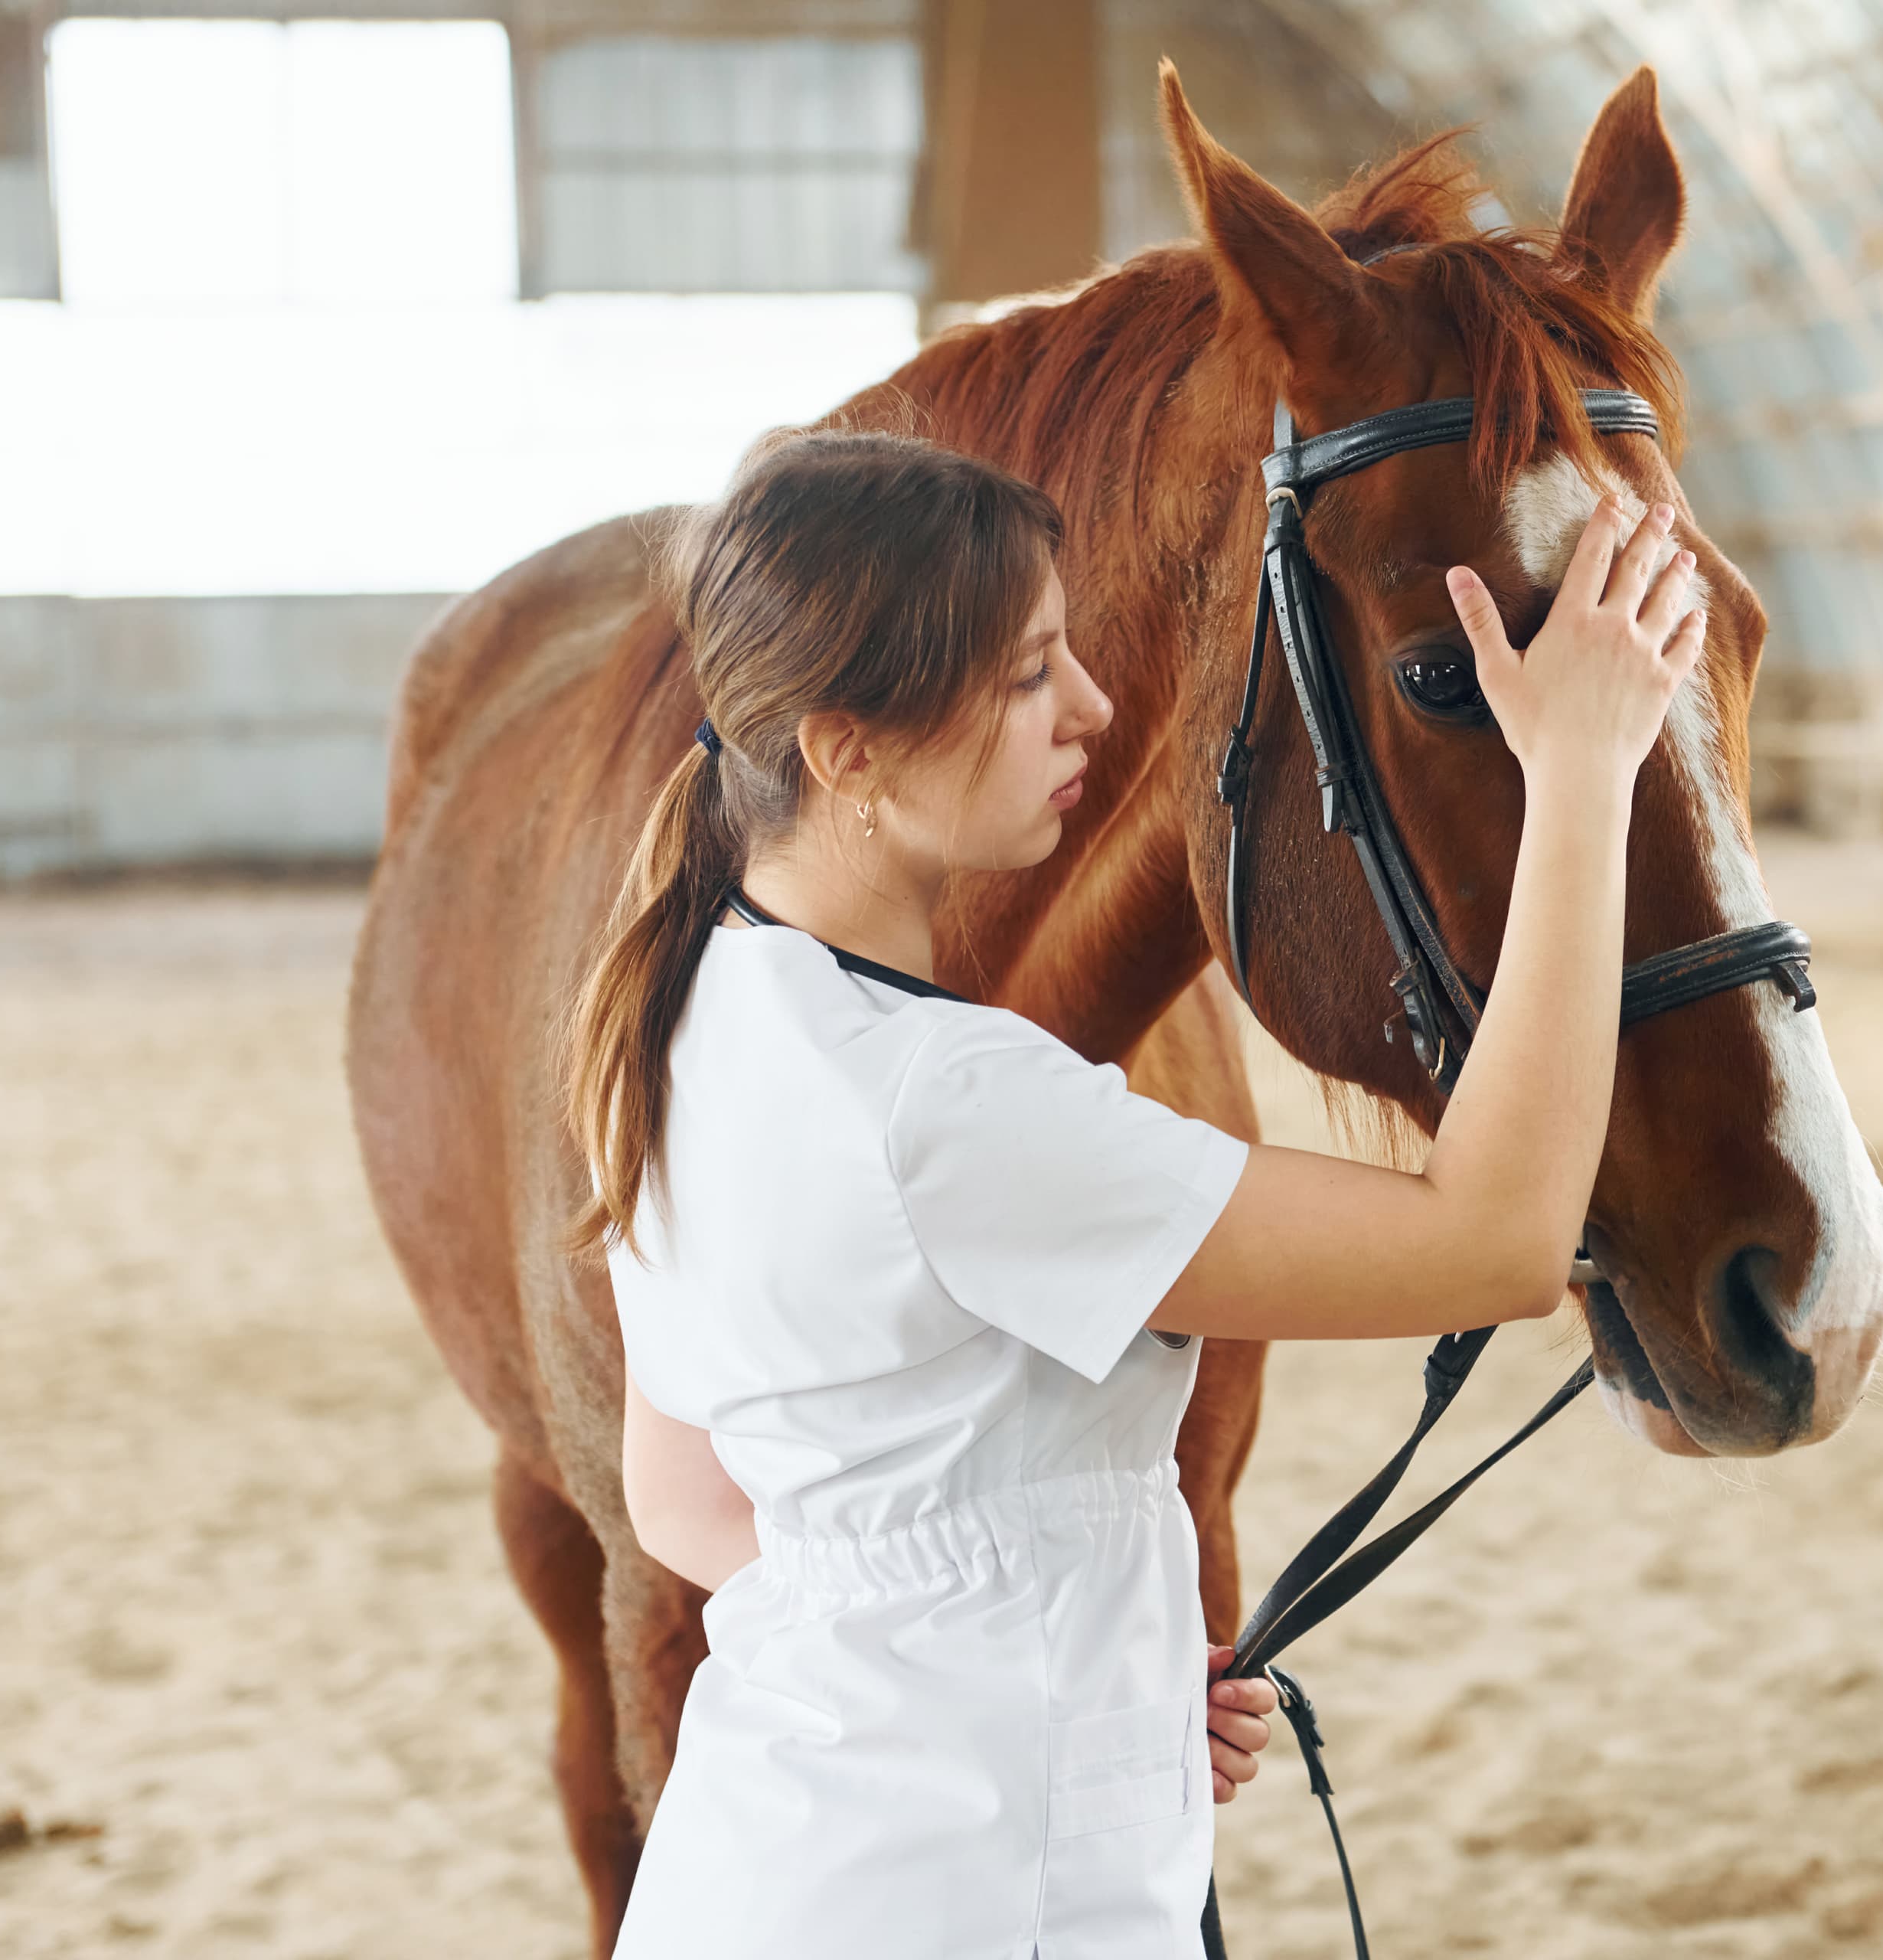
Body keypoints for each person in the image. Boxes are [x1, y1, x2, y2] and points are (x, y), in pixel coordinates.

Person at [564, 424, 1706, 1958]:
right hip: (972, 1907)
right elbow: (1493, 1241)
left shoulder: (683, 1008)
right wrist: (1582, 771)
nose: (1093, 706)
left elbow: (693, 1494)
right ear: (848, 749)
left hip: (771, 1875)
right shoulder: (947, 1103)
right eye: (1030, 671)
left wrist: (1078, 1656)